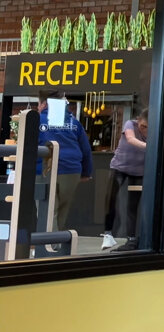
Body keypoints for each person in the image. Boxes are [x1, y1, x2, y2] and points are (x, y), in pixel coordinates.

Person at [105, 109, 164, 252]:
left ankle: (131, 239)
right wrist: (155, 147)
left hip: (138, 172)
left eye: (147, 127)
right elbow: (131, 140)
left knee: (133, 205)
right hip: (119, 168)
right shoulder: (130, 124)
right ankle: (107, 233)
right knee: (111, 199)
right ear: (138, 121)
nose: (144, 129)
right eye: (142, 126)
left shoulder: (155, 133)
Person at [36, 91, 93, 231]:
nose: (37, 107)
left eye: (38, 104)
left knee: (47, 211)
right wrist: (86, 173)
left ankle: (50, 247)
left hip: (44, 169)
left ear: (44, 104)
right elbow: (86, 149)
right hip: (71, 170)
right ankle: (57, 245)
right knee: (62, 210)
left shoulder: (36, 121)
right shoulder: (74, 122)